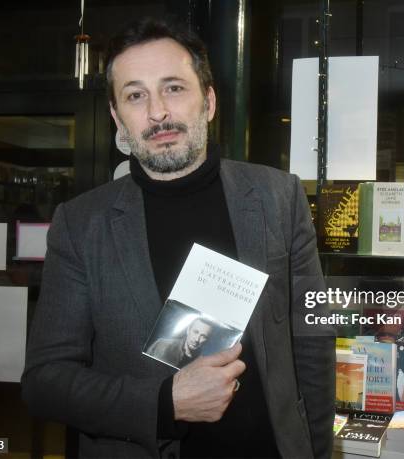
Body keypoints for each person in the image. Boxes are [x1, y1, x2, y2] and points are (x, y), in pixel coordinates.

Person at [21, 17, 334, 459]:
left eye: (173, 87)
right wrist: (164, 404)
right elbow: (45, 383)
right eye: (135, 95)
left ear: (208, 101)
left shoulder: (278, 198)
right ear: (117, 116)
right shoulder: (81, 224)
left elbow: (312, 342)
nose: (157, 112)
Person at [147, 317, 213, 368]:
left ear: (207, 340)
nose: (197, 339)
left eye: (203, 336)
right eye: (195, 332)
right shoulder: (161, 344)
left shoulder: (203, 363)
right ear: (188, 330)